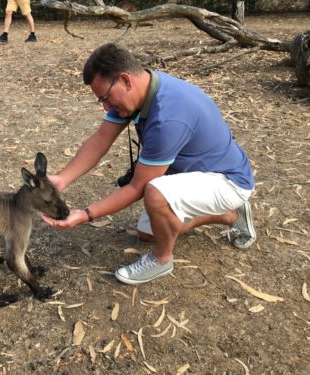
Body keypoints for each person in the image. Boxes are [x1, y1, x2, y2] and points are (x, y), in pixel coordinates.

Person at [42, 43, 256, 285]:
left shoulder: (168, 117)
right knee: (148, 232)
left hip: (227, 181)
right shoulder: (142, 89)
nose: (105, 106)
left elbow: (137, 188)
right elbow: (101, 140)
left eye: (105, 98)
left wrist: (85, 214)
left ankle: (162, 260)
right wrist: (63, 178)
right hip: (194, 174)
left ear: (125, 80)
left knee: (154, 193)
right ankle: (229, 215)